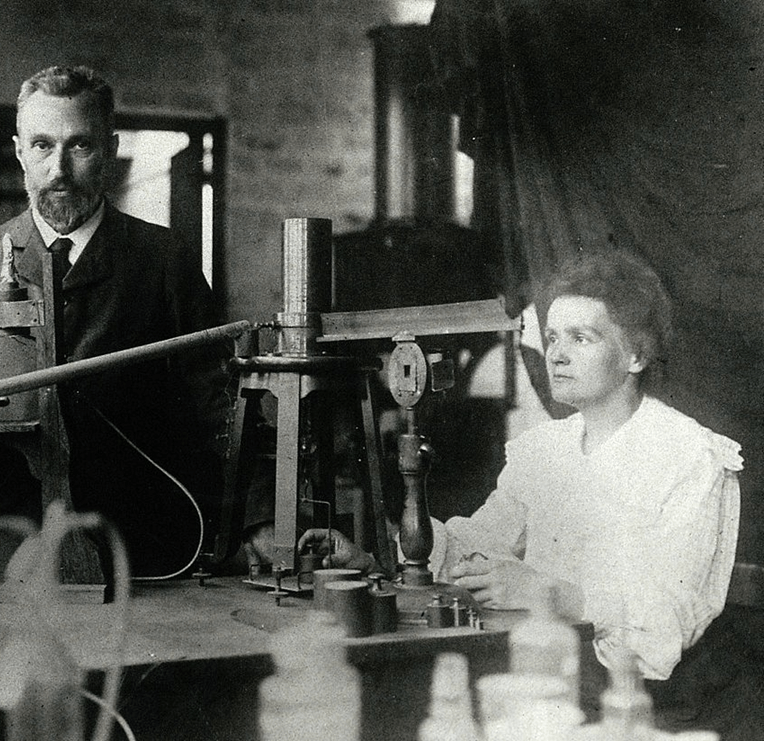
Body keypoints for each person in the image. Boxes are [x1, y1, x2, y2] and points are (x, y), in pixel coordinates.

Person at [300, 249, 742, 682]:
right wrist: (374, 559)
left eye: (581, 338)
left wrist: (545, 593)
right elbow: (476, 545)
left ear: (636, 356)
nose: (557, 355)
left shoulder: (690, 456)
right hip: (544, 666)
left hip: (643, 694)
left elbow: (671, 620)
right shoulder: (546, 448)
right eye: (553, 337)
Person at [0, 65, 267, 578]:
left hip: (135, 537)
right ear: (20, 152)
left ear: (109, 149)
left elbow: (219, 405)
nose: (58, 169)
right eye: (42, 146)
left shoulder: (162, 259)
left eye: (79, 145)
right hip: (1, 532)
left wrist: (259, 518)